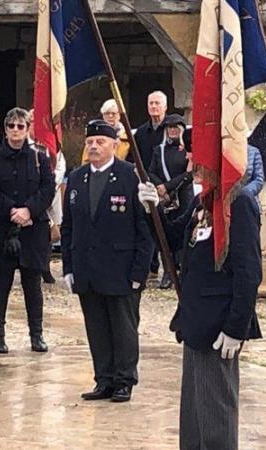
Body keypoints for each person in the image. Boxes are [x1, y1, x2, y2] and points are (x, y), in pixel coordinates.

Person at [138, 168, 262, 450]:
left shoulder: (238, 201)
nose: (193, 162)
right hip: (195, 320)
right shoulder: (202, 202)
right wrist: (152, 210)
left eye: (198, 154)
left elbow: (249, 271)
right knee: (194, 418)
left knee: (216, 418)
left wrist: (236, 327)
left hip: (218, 324)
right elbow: (172, 241)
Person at [61, 120, 153, 403]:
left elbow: (145, 229)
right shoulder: (76, 178)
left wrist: (141, 270)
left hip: (120, 269)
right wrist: (68, 267)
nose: (93, 147)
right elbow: (69, 227)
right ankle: (104, 379)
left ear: (115, 145)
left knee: (123, 328)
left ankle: (125, 379)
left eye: (100, 142)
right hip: (87, 269)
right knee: (97, 327)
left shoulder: (129, 176)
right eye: (90, 142)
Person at [0, 107, 55, 354]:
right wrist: (12, 211)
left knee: (32, 284)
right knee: (0, 284)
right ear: (5, 129)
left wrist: (29, 211)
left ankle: (37, 334)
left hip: (32, 229)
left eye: (20, 126)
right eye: (11, 126)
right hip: (3, 228)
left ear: (27, 129)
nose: (15, 131)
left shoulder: (40, 158)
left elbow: (48, 189)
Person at [147, 114, 194, 289]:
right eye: (169, 127)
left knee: (183, 234)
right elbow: (151, 171)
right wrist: (159, 186)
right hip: (165, 199)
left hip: (183, 196)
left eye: (176, 127)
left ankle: (182, 270)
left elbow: (189, 174)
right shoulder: (158, 150)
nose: (172, 130)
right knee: (164, 235)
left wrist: (167, 186)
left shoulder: (186, 149)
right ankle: (168, 272)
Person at [131, 90, 170, 279]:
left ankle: (169, 270)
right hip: (145, 185)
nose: (154, 107)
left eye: (157, 103)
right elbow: (133, 158)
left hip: (166, 186)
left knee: (165, 226)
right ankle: (151, 267)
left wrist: (165, 186)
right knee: (147, 225)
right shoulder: (140, 132)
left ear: (165, 106)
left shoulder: (171, 129)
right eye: (151, 103)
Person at [27, 109, 66, 284]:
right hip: (32, 194)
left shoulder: (51, 144)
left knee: (50, 232)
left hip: (51, 193)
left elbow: (60, 166)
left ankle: (46, 266)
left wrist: (50, 184)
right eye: (33, 121)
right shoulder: (25, 145)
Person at [80, 99, 130, 164]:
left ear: (119, 115)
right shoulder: (94, 136)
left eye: (113, 113)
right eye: (107, 113)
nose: (110, 116)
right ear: (103, 115)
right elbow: (85, 160)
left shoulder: (128, 137)